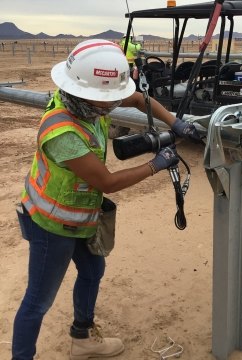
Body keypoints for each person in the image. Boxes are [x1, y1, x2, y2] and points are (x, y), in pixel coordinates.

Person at [12, 39, 201, 360]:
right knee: (38, 300)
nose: (112, 105)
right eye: (107, 100)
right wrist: (155, 165)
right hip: (51, 225)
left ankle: (82, 338)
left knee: (92, 272)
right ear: (88, 94)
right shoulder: (63, 133)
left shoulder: (85, 99)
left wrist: (176, 122)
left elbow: (140, 99)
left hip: (82, 217)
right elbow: (107, 181)